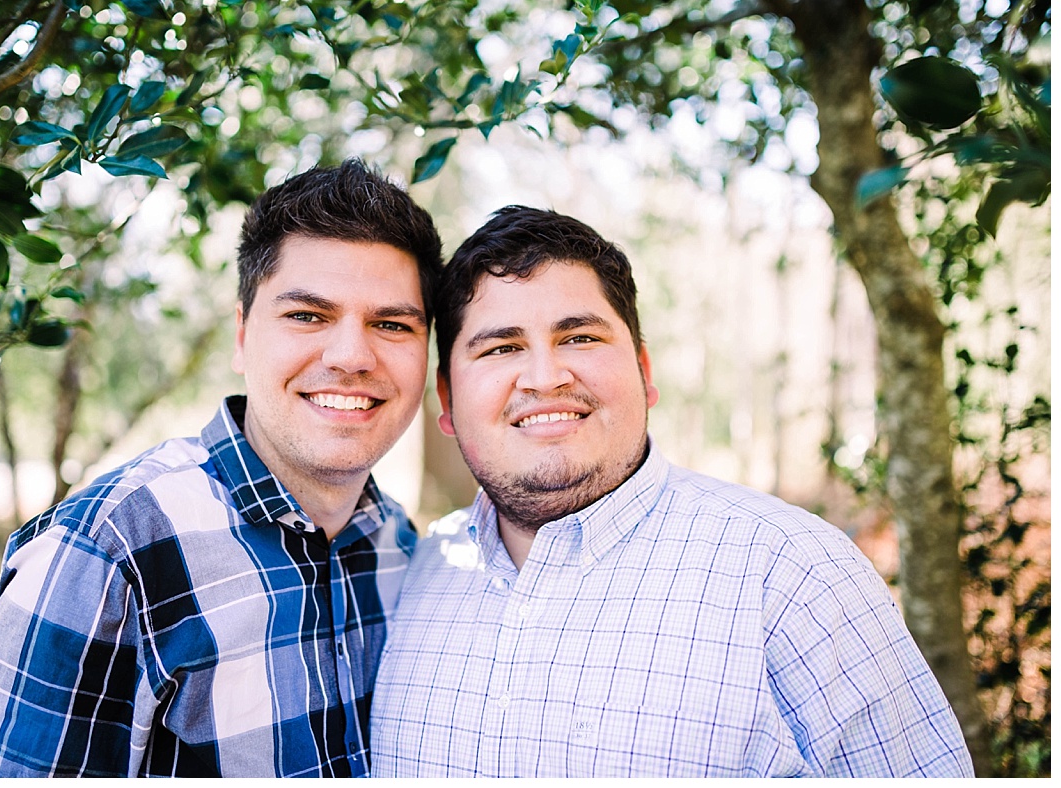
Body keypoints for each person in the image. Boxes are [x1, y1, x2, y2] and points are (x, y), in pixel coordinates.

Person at [370, 206, 975, 779]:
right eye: (502, 348)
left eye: (579, 338)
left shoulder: (794, 574)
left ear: (644, 372)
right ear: (447, 401)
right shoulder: (419, 571)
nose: (545, 376)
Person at [0, 161, 441, 778]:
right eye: (307, 315)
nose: (351, 357)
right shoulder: (108, 552)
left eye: (392, 324)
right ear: (240, 336)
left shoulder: (402, 545)